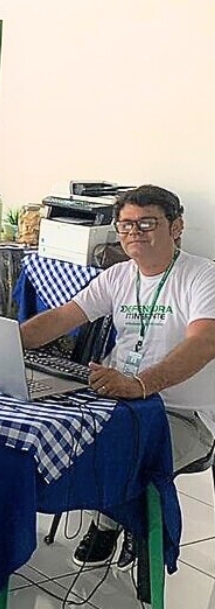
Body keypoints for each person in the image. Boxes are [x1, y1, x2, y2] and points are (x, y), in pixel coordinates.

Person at [21, 185, 215, 568]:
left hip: (180, 414)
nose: (134, 232)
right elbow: (62, 317)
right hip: (117, 400)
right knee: (55, 431)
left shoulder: (202, 276)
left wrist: (141, 384)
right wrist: (5, 340)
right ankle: (110, 517)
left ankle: (122, 525)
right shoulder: (118, 276)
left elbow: (205, 342)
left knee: (119, 451)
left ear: (176, 227)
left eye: (147, 223)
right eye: (125, 225)